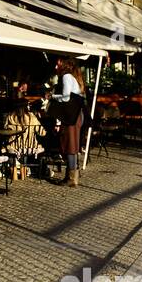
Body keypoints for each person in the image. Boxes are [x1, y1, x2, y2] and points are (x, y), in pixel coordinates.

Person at [50, 57, 86, 186]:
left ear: (63, 65)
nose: (55, 67)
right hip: (75, 115)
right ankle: (71, 176)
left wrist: (52, 96)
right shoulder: (70, 77)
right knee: (72, 145)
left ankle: (71, 179)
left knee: (70, 146)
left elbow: (65, 98)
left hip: (71, 116)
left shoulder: (66, 77)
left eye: (57, 64)